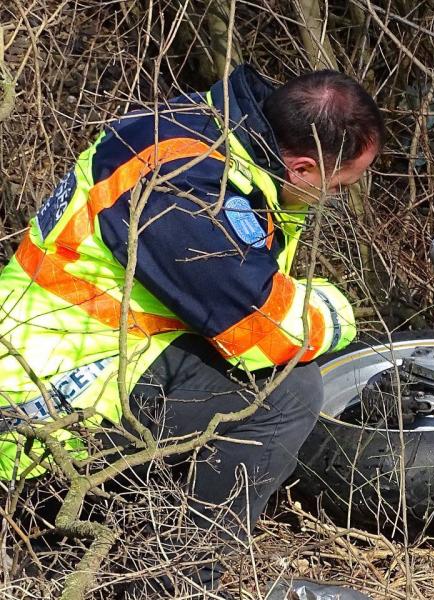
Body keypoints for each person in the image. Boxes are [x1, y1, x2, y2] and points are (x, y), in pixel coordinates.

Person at [0, 64, 381, 593]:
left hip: (74, 358)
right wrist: (337, 314)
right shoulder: (184, 191)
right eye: (337, 187)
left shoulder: (208, 131)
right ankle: (176, 581)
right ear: (301, 167)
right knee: (285, 391)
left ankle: (129, 540)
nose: (334, 200)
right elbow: (261, 329)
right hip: (37, 408)